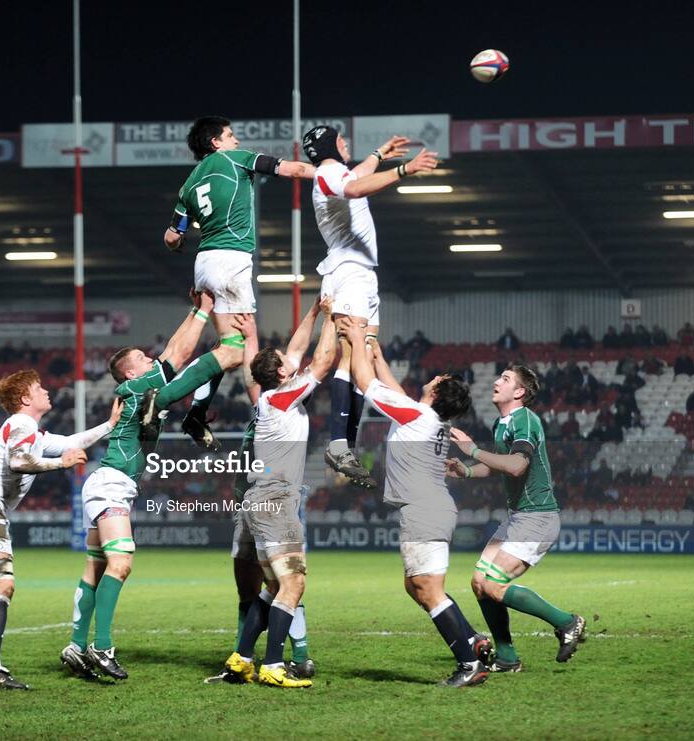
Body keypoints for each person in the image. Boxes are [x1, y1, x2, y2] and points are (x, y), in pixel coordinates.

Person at [61, 290, 249, 681]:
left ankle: (77, 645)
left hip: (108, 482)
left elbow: (185, 363)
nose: (152, 361)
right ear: (132, 373)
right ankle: (102, 646)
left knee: (95, 566)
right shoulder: (133, 389)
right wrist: (203, 312)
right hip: (112, 483)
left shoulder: (148, 396)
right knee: (121, 563)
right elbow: (178, 356)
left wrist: (209, 332)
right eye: (144, 361)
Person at [0, 371, 121, 690]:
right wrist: (61, 464)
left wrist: (109, 425)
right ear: (26, 399)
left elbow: (69, 442)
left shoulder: (30, 430)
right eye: (39, 388)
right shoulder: (21, 423)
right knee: (2, 585)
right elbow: (19, 461)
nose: (47, 390)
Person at [343, 319, 492, 687]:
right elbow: (395, 392)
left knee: (426, 588)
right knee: (417, 587)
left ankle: (468, 662)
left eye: (438, 377)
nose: (434, 376)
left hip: (423, 510)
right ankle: (473, 640)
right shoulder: (423, 416)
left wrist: (358, 341)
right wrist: (376, 355)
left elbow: (366, 385)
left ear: (438, 390)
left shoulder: (418, 416)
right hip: (433, 507)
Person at [163, 115, 316, 453]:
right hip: (230, 262)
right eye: (230, 135)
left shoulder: (188, 184)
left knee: (227, 345)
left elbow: (171, 237)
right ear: (215, 142)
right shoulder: (237, 158)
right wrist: (333, 176)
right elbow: (292, 170)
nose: (235, 140)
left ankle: (197, 412)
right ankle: (161, 398)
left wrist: (183, 238)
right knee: (235, 349)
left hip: (203, 262)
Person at [300, 124, 438, 489]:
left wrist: (378, 155)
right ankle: (338, 442)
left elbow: (355, 177)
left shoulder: (335, 172)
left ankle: (348, 442)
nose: (347, 145)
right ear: (332, 144)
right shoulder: (330, 173)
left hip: (360, 273)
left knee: (366, 351)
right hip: (348, 271)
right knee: (350, 355)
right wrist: (404, 169)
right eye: (342, 140)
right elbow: (356, 186)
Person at [220, 297, 337, 689]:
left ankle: (243, 657)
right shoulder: (282, 399)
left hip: (260, 501)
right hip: (276, 501)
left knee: (273, 587)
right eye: (287, 362)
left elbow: (298, 349)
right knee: (294, 583)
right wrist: (337, 320)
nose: (293, 360)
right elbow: (320, 362)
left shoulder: (272, 397)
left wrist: (315, 312)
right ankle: (273, 665)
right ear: (282, 374)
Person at [446, 365, 587, 672]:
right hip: (518, 517)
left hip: (537, 518)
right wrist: (467, 469)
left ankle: (567, 622)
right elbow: (499, 465)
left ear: (520, 392)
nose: (497, 381)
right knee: (480, 583)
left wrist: (473, 449)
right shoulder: (503, 423)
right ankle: (508, 657)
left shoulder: (525, 419)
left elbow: (516, 466)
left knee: (494, 585)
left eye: (505, 379)